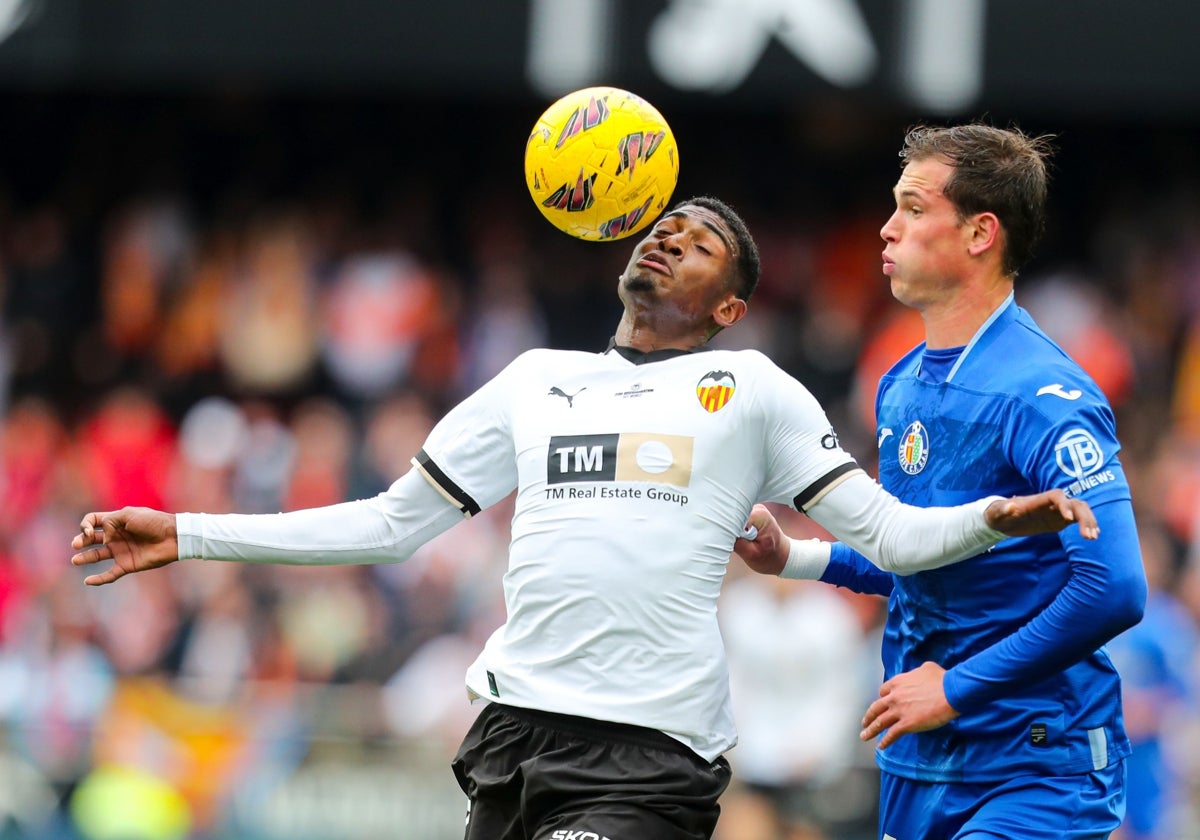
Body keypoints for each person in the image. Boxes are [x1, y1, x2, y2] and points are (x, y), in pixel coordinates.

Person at [72, 196, 1098, 840]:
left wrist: (997, 518)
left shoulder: (752, 392)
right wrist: (191, 531)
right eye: (665, 228)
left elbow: (894, 539)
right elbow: (390, 524)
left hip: (650, 758)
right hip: (511, 739)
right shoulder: (533, 380)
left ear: (731, 308)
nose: (669, 241)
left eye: (699, 246)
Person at [735, 126, 1148, 838]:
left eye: (914, 208)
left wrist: (956, 688)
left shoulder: (1043, 394)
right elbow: (914, 555)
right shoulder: (900, 387)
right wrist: (798, 558)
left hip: (1034, 763)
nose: (888, 229)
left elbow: (1114, 586)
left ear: (981, 233)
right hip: (922, 762)